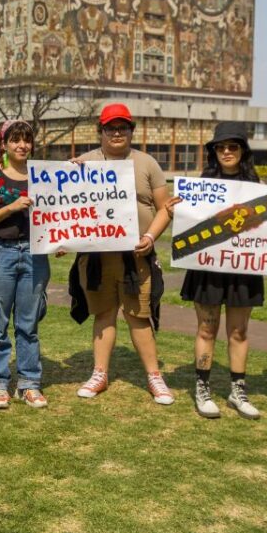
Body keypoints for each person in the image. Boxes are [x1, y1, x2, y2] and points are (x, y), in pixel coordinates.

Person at [72, 104, 175, 406]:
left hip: (137, 256)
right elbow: (64, 208)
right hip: (98, 257)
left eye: (122, 127)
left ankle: (154, 376)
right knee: (104, 313)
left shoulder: (147, 163)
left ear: (131, 130)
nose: (116, 133)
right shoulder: (84, 163)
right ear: (101, 132)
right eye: (110, 128)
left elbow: (164, 208)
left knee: (138, 316)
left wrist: (149, 237)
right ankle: (99, 373)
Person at [167, 121, 262, 420]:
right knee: (207, 328)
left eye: (232, 146)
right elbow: (190, 225)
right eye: (220, 147)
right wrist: (176, 212)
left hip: (242, 268)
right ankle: (202, 388)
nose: (226, 151)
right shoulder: (202, 185)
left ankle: (237, 390)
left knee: (239, 330)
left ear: (243, 150)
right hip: (208, 267)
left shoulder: (256, 187)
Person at [0, 119, 51, 409]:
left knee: (29, 323)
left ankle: (29, 383)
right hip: (0, 252)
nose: (22, 145)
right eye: (15, 140)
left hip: (35, 254)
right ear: (4, 144)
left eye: (27, 140)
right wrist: (10, 207)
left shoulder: (43, 175)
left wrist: (59, 239)